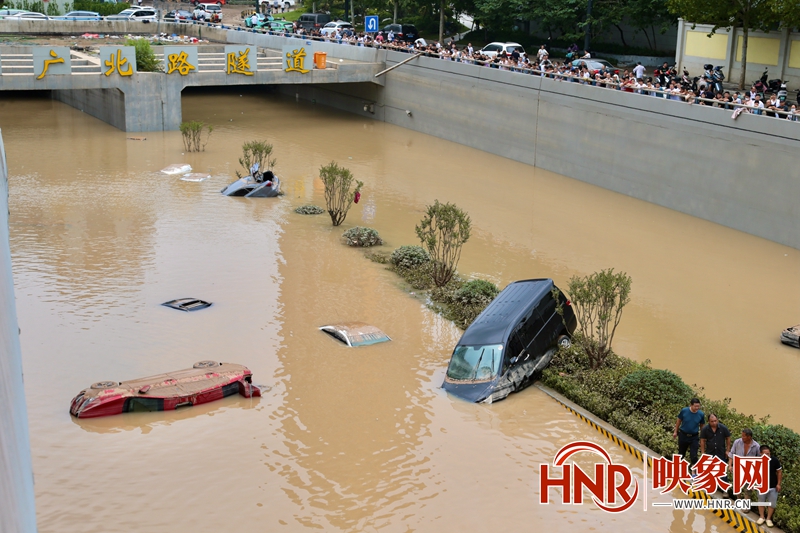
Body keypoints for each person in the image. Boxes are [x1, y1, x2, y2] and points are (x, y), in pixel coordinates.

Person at [728, 428, 760, 499]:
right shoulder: (737, 442)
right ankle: (738, 500)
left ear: (749, 437)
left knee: (748, 489)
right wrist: (730, 465)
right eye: (742, 436)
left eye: (744, 436)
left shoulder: (756, 446)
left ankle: (746, 505)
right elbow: (732, 453)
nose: (742, 437)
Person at [673, 398, 705, 467]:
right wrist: (675, 431)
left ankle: (695, 472)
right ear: (691, 405)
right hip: (683, 435)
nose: (697, 408)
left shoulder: (701, 414)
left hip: (694, 437)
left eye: (698, 406)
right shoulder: (684, 411)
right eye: (695, 406)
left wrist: (702, 438)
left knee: (694, 455)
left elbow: (702, 426)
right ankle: (677, 468)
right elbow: (678, 421)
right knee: (681, 453)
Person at [756, 445, 782, 528]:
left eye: (768, 453)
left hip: (772, 487)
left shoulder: (774, 460)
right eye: (765, 454)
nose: (767, 455)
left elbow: (779, 472)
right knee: (761, 501)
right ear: (760, 453)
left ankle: (768, 518)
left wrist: (778, 484)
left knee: (772, 504)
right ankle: (761, 517)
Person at [699, 413, 731, 479]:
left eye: (715, 421)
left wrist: (728, 450)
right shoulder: (705, 429)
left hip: (721, 452)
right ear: (708, 421)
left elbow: (728, 438)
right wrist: (703, 452)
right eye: (712, 421)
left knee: (722, 472)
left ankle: (723, 487)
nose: (714, 423)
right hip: (710, 452)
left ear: (717, 420)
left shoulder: (723, 428)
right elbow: (702, 440)